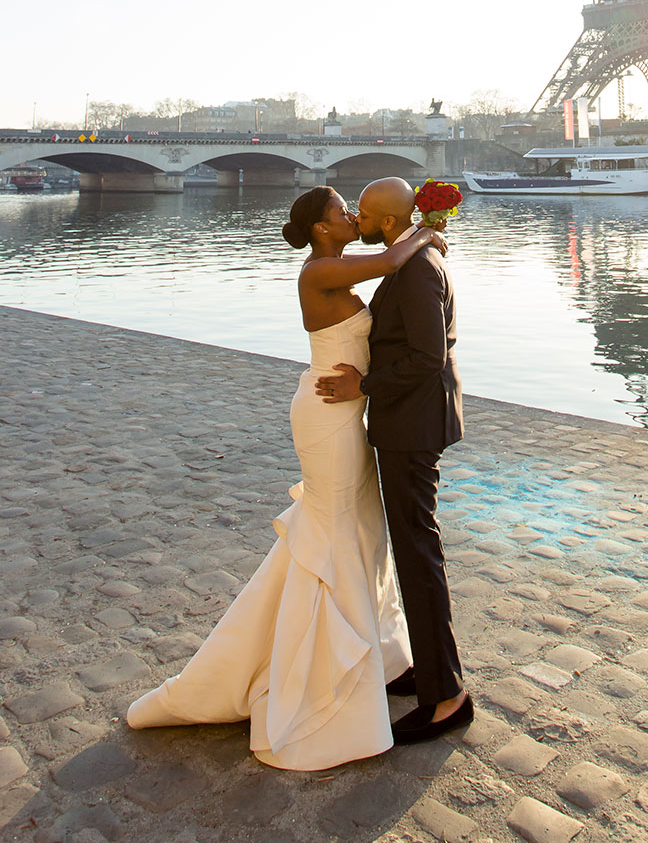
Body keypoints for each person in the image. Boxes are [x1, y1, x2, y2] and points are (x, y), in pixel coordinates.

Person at [126, 185, 446, 770]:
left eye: (358, 210)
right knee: (331, 530)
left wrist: (420, 232)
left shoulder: (335, 267)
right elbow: (394, 258)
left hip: (346, 411)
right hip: (328, 414)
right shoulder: (321, 270)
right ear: (323, 229)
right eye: (342, 212)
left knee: (355, 530)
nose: (351, 216)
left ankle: (362, 653)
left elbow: (398, 276)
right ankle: (319, 667)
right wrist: (428, 228)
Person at [315, 176, 472, 745]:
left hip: (412, 425)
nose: (354, 217)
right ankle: (428, 674)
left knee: (417, 553)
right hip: (413, 419)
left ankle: (447, 695)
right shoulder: (412, 259)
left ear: (386, 223)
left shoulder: (414, 269)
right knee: (413, 548)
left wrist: (366, 384)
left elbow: (429, 355)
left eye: (361, 211)